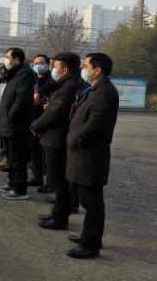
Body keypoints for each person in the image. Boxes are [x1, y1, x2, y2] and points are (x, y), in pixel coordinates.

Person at [65, 53, 119, 259]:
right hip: (84, 154)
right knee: (88, 201)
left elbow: (96, 122)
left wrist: (79, 138)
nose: (83, 69)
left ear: (98, 70)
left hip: (90, 155)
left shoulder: (104, 91)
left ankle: (91, 245)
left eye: (86, 66)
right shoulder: (96, 88)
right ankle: (89, 235)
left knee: (92, 203)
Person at [31, 52, 80, 231]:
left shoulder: (68, 89)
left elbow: (54, 113)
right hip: (52, 138)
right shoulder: (63, 85)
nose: (53, 69)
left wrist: (35, 125)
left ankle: (60, 218)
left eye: (55, 66)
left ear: (64, 69)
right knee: (57, 179)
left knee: (59, 181)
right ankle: (57, 212)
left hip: (56, 139)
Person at [0, 47, 34, 199]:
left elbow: (21, 100)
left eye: (8, 57)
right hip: (7, 123)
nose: (6, 60)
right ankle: (12, 183)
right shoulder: (14, 74)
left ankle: (20, 189)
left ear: (16, 60)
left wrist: (11, 116)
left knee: (17, 158)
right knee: (10, 157)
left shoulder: (24, 75)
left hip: (15, 124)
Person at [29, 54, 55, 192]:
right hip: (33, 119)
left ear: (48, 64)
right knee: (34, 151)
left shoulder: (52, 81)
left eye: (41, 63)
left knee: (47, 154)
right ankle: (36, 177)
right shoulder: (32, 79)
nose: (38, 65)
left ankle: (50, 183)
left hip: (45, 120)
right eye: (36, 63)